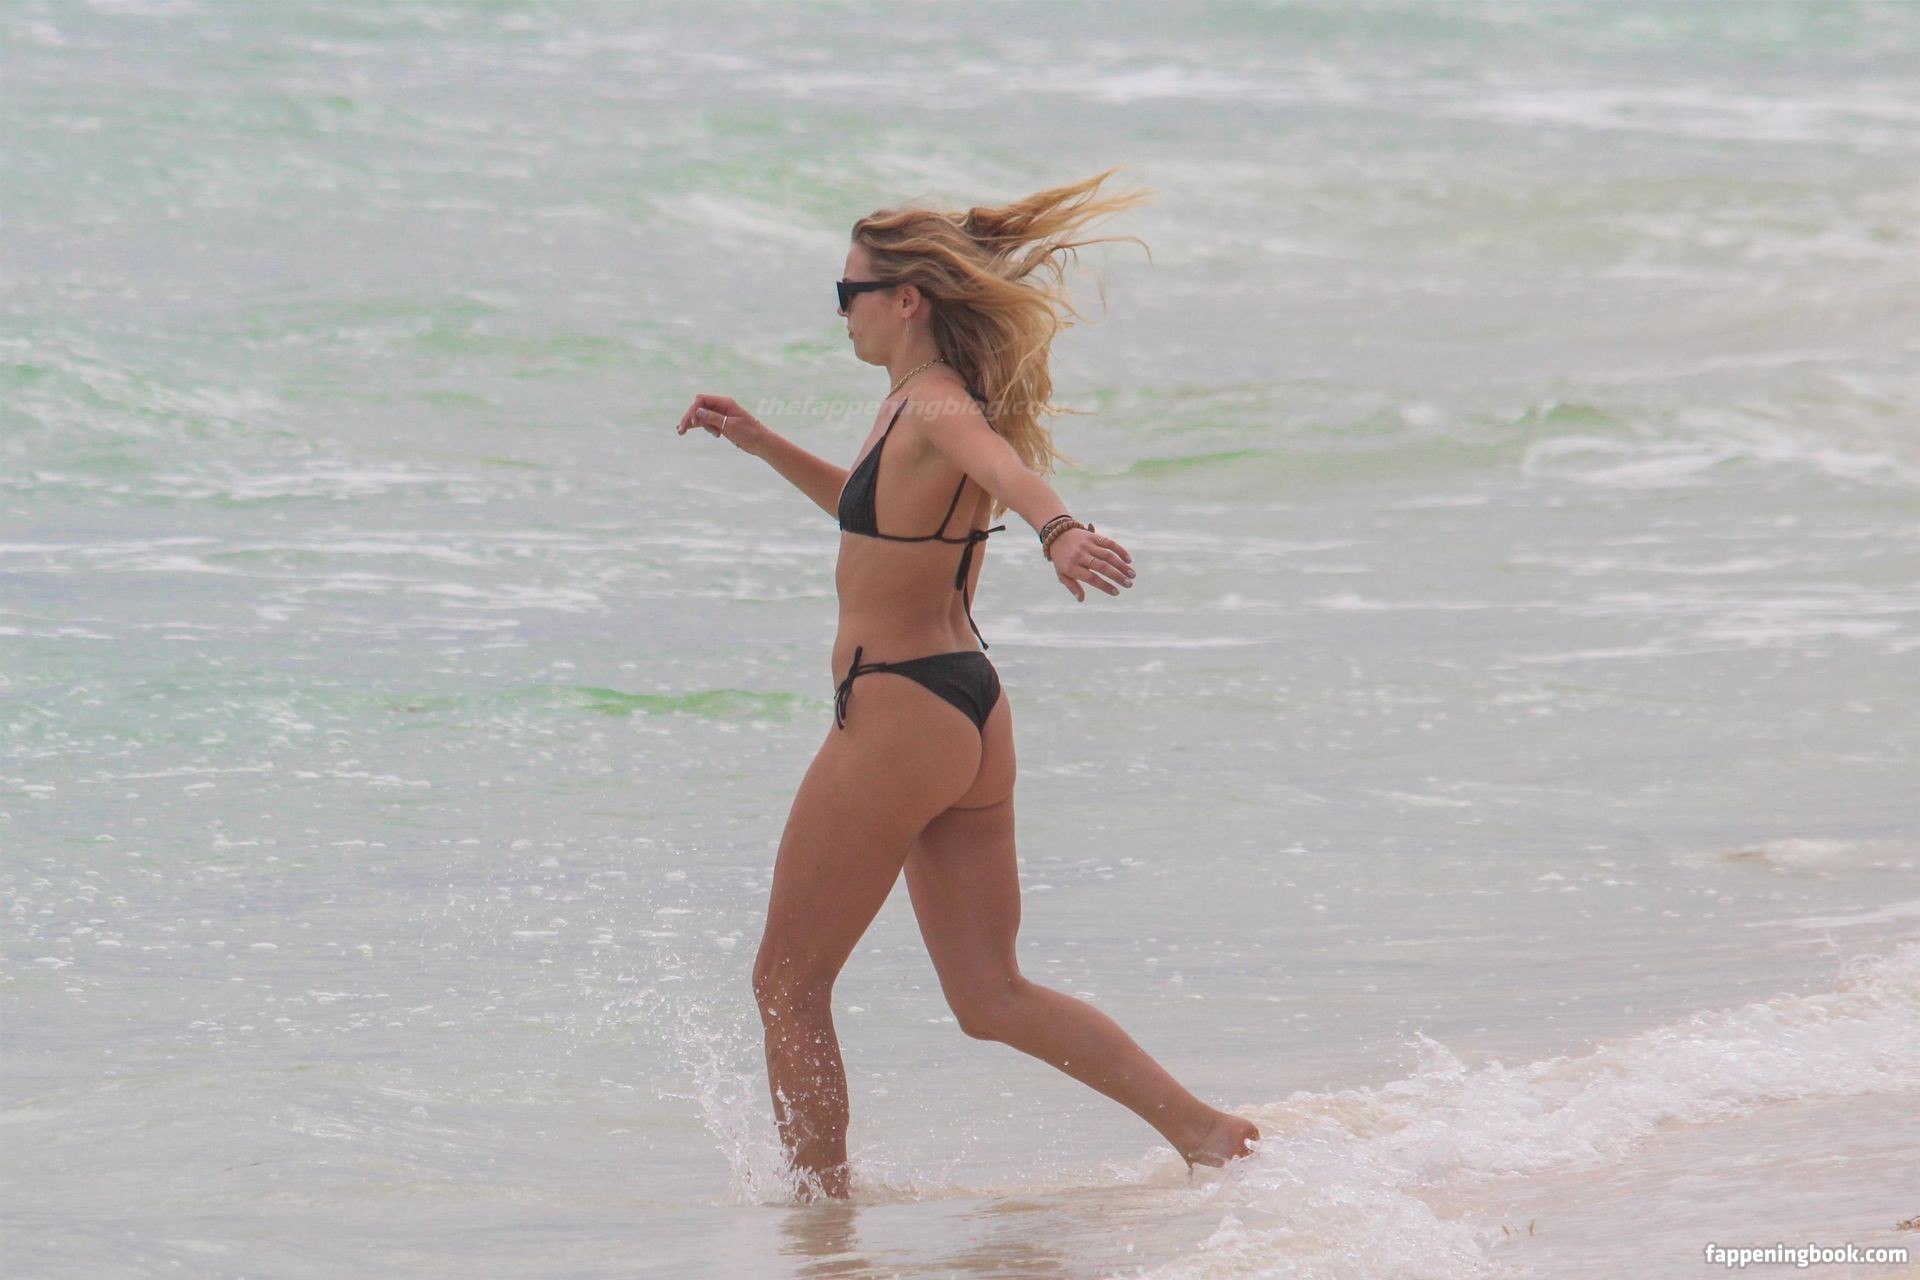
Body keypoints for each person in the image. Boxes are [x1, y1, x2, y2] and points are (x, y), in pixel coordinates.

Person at [674, 168, 1259, 1200]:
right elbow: (873, 519)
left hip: (898, 709)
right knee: (991, 994)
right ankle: (1210, 1134)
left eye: (848, 291)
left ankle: (822, 1220)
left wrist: (1059, 529)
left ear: (904, 299)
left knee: (787, 982)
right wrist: (763, 443)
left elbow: (1001, 468)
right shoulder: (911, 403)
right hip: (968, 710)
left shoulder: (938, 402)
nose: (841, 311)